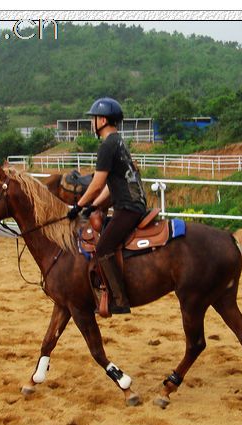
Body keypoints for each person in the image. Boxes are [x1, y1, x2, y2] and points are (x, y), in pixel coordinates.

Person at [67, 97, 148, 314]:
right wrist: (93, 206)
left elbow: (97, 183)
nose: (92, 123)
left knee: (103, 248)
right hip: (134, 203)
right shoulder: (118, 142)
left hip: (128, 207)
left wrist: (78, 206)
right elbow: (110, 187)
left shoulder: (107, 146)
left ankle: (119, 300)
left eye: (93, 119)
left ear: (102, 120)